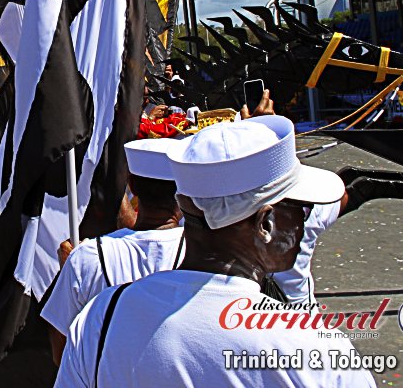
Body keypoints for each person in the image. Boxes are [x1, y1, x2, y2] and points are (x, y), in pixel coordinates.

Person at [55, 116, 376, 387]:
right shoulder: (314, 350)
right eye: (301, 211)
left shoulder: (101, 320)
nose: (303, 226)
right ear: (265, 224)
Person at [41, 165, 185, 364]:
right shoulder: (204, 254)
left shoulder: (87, 258)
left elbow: (63, 354)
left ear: (132, 185)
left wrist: (73, 267)